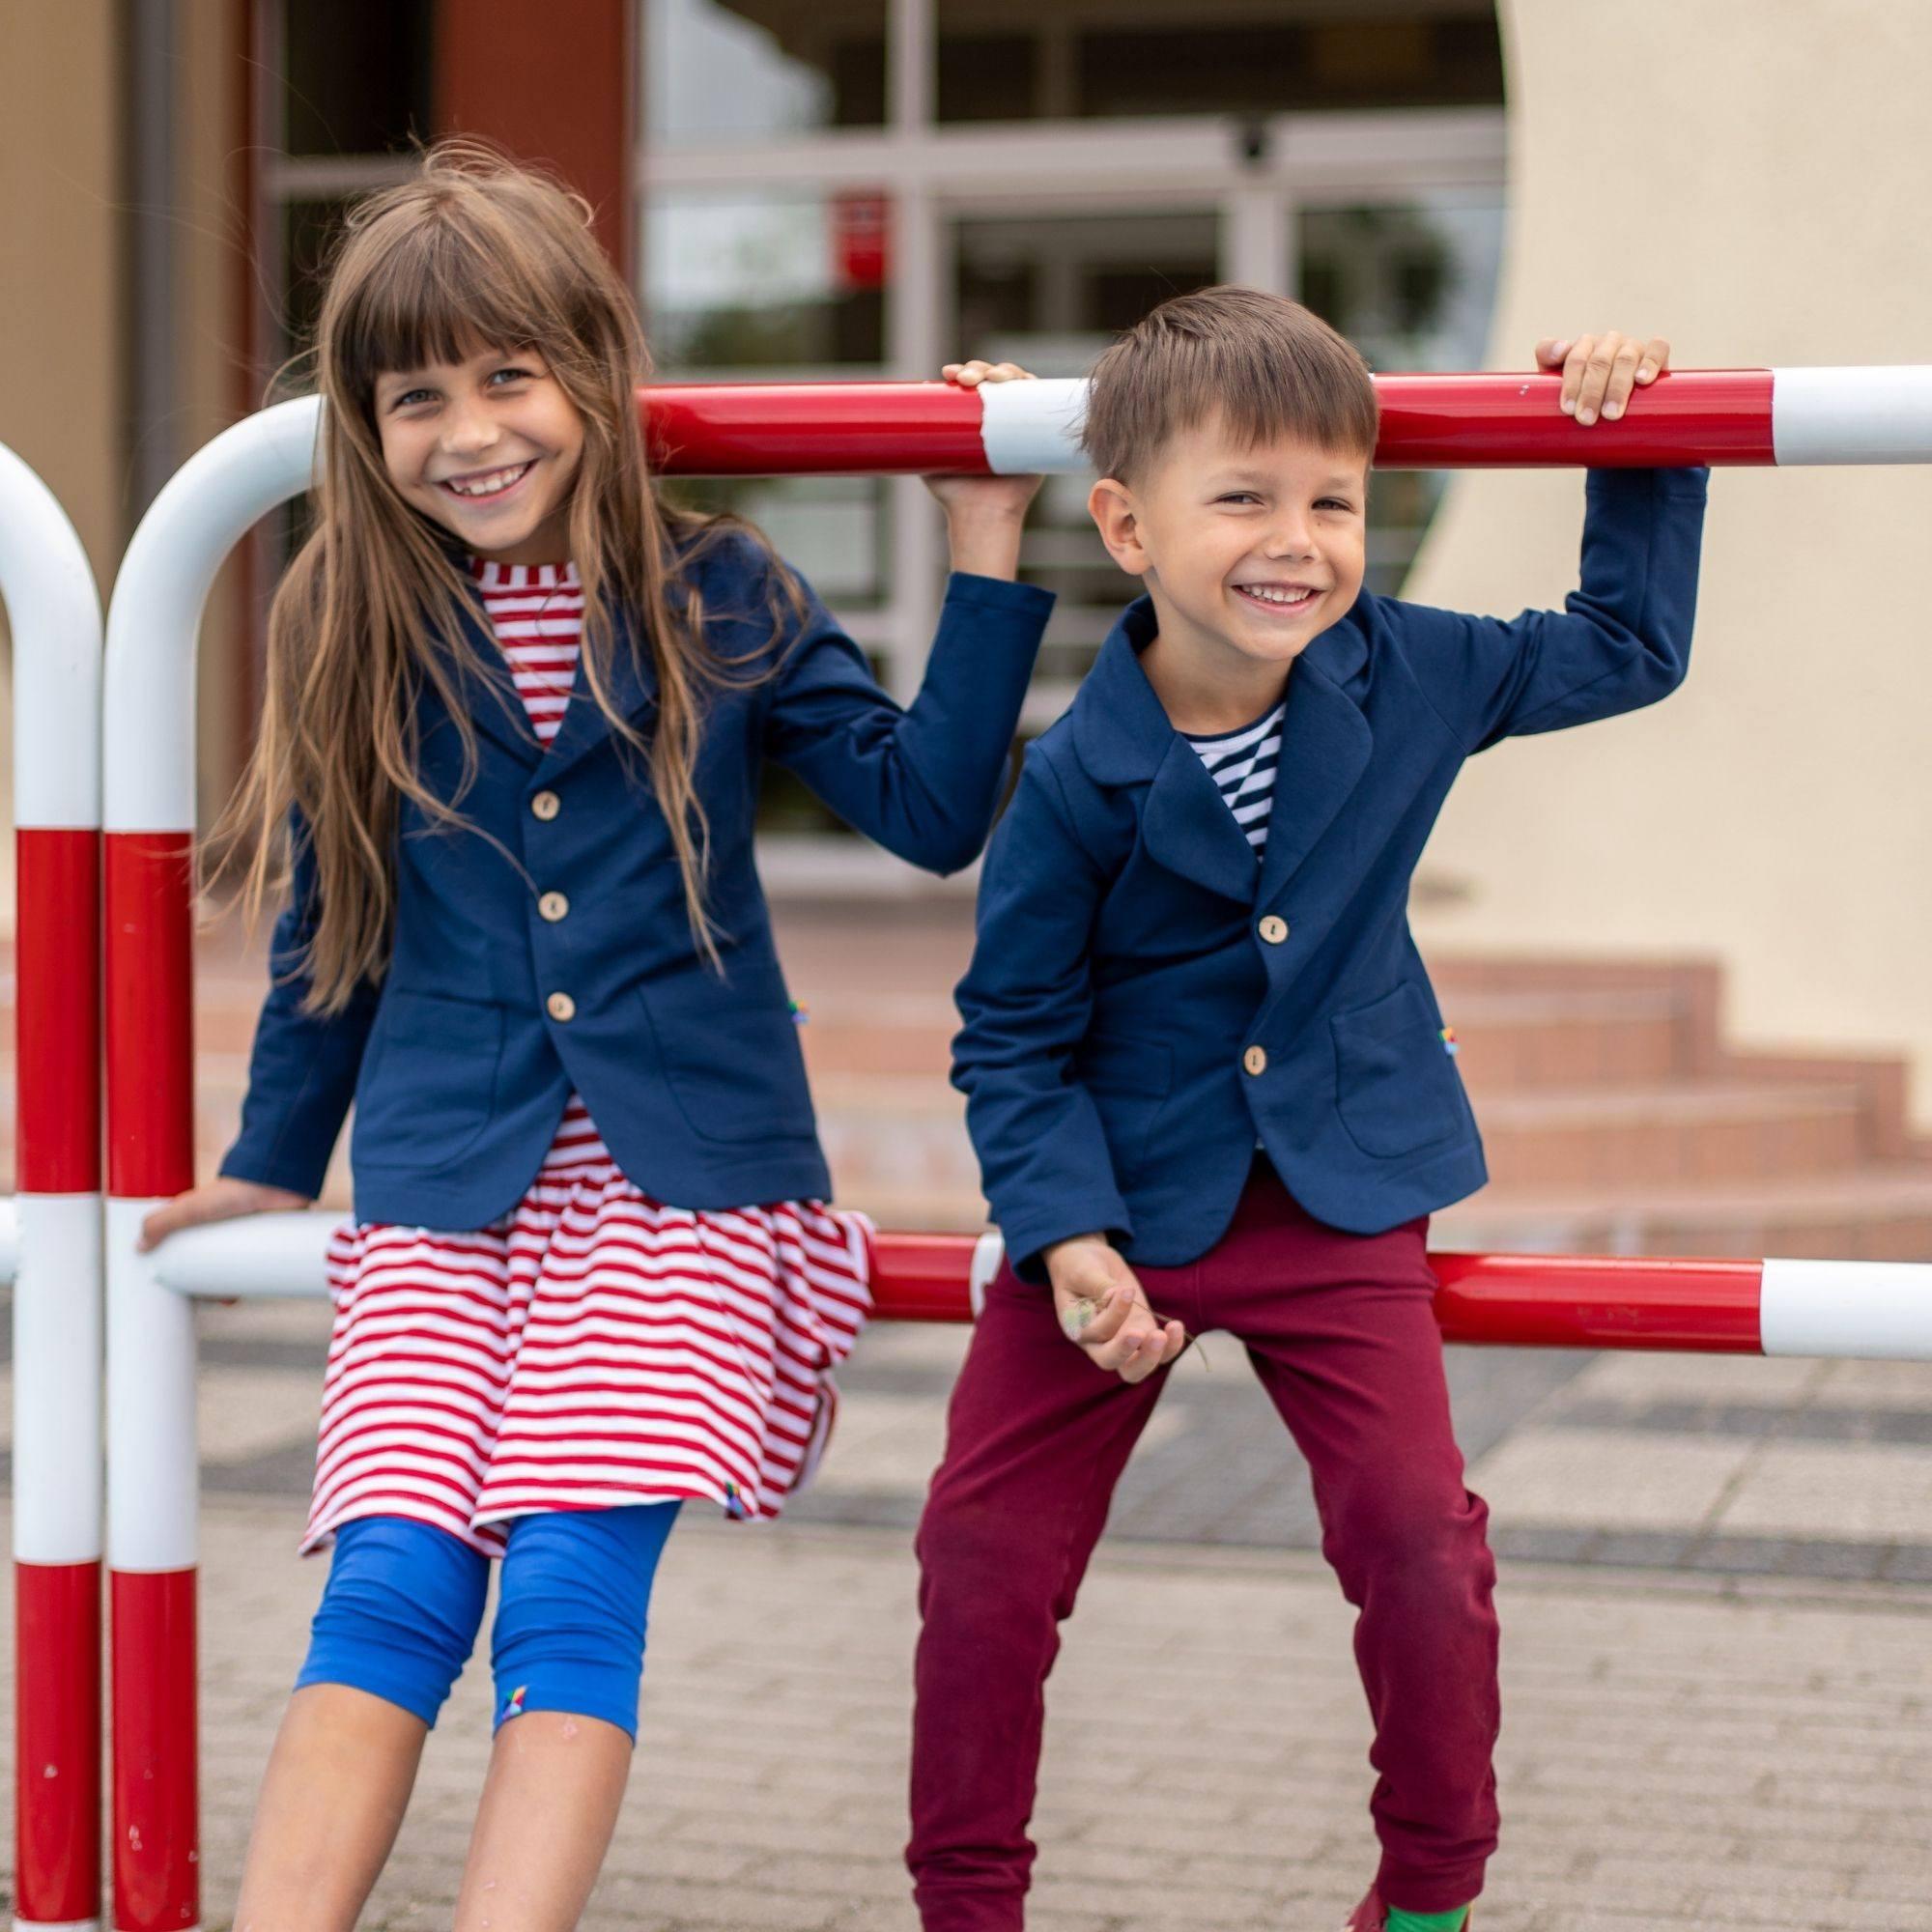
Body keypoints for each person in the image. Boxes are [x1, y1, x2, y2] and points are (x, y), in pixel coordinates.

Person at [137, 140, 1050, 1932]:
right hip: (439, 1179)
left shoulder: (727, 595)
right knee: (388, 1580)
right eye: (417, 396)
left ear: (594, 373)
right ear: (364, 424)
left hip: (683, 1192)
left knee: (564, 1581)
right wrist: (262, 1163)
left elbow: (935, 811)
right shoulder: (348, 611)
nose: (471, 432)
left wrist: (986, 544)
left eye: (508, 375)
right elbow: (337, 927)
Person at [912, 286, 1705, 1932]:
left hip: (1343, 1198)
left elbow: (1628, 649)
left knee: (1418, 1544)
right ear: (1126, 525)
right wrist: (1063, 1237)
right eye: (1243, 499)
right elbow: (1011, 1033)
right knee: (981, 1562)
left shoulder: (1406, 673)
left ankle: (1427, 1893)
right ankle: (966, 1907)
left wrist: (1628, 431)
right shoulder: (1076, 774)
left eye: (1334, 501)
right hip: (1117, 1208)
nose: (1298, 542)